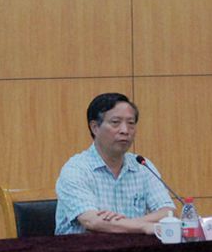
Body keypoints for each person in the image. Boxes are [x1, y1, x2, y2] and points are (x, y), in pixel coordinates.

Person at [54, 93, 174, 235]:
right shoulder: (76, 169)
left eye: (131, 123)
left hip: (135, 248)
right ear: (95, 127)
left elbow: (168, 212)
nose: (125, 130)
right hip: (83, 248)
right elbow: (91, 221)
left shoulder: (142, 166)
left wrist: (127, 223)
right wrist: (143, 227)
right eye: (115, 122)